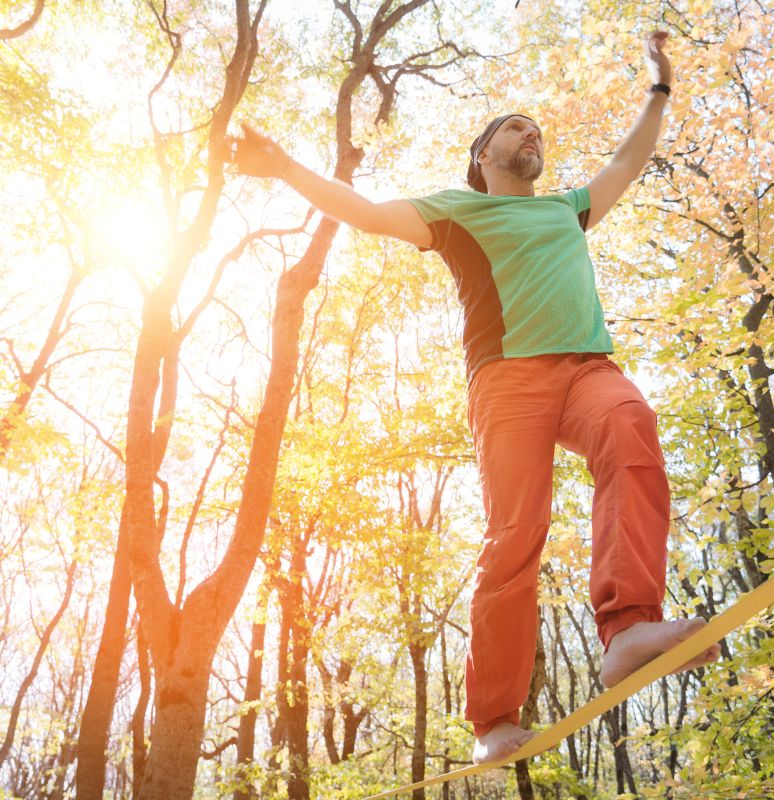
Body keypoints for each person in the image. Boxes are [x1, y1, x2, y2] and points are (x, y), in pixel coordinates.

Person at [227, 30, 721, 765]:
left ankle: (627, 633)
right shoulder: (455, 210)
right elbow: (362, 211)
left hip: (588, 369)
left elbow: (628, 159)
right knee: (515, 534)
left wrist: (659, 88)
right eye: (517, 127)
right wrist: (285, 167)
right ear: (485, 151)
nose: (533, 135)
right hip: (508, 381)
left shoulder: (567, 209)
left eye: (539, 131)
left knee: (632, 426)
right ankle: (494, 717)